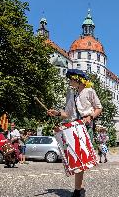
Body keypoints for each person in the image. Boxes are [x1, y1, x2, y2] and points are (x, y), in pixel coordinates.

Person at [47, 69, 102, 197]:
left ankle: (78, 190)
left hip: (86, 126)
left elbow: (99, 108)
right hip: (74, 126)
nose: (70, 81)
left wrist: (90, 117)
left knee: (81, 156)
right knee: (76, 157)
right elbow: (68, 114)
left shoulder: (89, 91)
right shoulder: (71, 95)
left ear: (78, 79)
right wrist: (57, 113)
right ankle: (78, 190)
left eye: (71, 79)